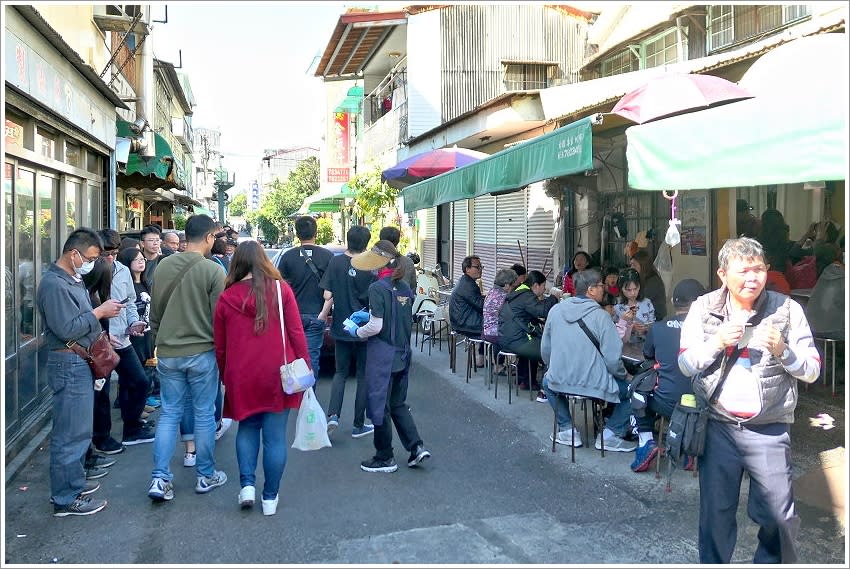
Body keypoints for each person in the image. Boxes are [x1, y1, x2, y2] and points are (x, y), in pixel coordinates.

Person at [678, 237, 820, 563]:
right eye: (743, 271)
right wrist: (716, 342)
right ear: (722, 274)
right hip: (718, 427)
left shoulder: (787, 310)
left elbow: (812, 371)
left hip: (769, 428)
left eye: (759, 269)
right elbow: (685, 364)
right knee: (715, 515)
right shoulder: (704, 308)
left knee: (780, 518)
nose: (752, 278)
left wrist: (783, 350)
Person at [214, 241, 309, 516]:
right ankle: (270, 498)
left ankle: (246, 487)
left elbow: (220, 344)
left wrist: (225, 374)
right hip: (278, 374)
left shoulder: (227, 296)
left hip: (240, 374)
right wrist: (306, 367)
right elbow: (296, 332)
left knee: (246, 429)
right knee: (275, 438)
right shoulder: (281, 291)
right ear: (264, 262)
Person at [37, 228, 124, 516]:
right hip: (68, 364)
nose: (91, 263)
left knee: (79, 430)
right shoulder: (53, 284)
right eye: (89, 258)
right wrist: (99, 314)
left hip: (79, 362)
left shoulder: (71, 279)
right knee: (69, 434)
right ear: (73, 254)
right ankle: (65, 497)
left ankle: (73, 484)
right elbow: (66, 328)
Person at [147, 214, 228, 502]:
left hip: (168, 352)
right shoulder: (213, 271)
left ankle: (159, 478)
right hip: (202, 353)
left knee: (169, 413)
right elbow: (220, 319)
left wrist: (158, 342)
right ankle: (206, 475)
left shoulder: (163, 266)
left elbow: (154, 312)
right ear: (208, 238)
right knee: (204, 414)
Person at [345, 240, 431, 473]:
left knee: (379, 405)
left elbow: (376, 326)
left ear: (379, 263)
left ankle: (385, 457)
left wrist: (357, 330)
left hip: (383, 355)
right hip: (403, 353)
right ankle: (416, 447)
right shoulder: (403, 286)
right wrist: (367, 315)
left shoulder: (377, 288)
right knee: (398, 403)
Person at [541, 267, 636, 452]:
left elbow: (546, 350)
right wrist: (626, 377)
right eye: (601, 285)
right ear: (591, 289)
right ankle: (610, 434)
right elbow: (612, 360)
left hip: (559, 379)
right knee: (637, 390)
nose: (604, 289)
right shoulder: (602, 317)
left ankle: (567, 429)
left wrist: (553, 368)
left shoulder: (555, 310)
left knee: (546, 382)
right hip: (596, 384)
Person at [630, 278, 706, 473]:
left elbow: (648, 355)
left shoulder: (658, 328)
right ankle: (690, 448)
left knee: (638, 390)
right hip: (701, 405)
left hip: (666, 402)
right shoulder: (711, 332)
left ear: (673, 301)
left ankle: (646, 442)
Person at [97, 229, 152, 446]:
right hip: (99, 343)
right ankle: (102, 438)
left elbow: (129, 301)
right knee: (101, 392)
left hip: (122, 338)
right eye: (105, 253)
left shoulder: (122, 270)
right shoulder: (88, 272)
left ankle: (132, 426)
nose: (110, 257)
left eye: (114, 252)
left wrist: (133, 323)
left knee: (139, 381)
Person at [319, 225, 376, 438]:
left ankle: (333, 415)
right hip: (364, 327)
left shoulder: (335, 262)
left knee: (340, 373)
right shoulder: (370, 265)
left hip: (341, 327)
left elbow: (326, 295)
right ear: (366, 243)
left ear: (348, 240)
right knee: (363, 375)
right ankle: (358, 425)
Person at [277, 216, 334, 380]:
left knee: (290, 358)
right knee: (311, 359)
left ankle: (290, 397)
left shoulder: (287, 256)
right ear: (316, 232)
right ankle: (308, 400)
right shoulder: (327, 256)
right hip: (317, 314)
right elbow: (332, 289)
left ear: (297, 233)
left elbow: (280, 288)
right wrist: (324, 314)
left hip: (292, 315)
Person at [498, 270, 561, 399]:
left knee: (535, 344)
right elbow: (542, 310)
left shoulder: (518, 291)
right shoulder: (526, 295)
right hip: (517, 341)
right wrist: (554, 297)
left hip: (505, 338)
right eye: (543, 287)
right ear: (535, 285)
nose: (544, 291)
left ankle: (525, 381)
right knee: (551, 351)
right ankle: (545, 391)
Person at [449, 255, 486, 367]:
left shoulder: (466, 281)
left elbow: (476, 301)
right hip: (464, 322)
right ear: (467, 269)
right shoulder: (468, 285)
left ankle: (482, 358)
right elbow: (480, 305)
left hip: (462, 319)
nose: (480, 270)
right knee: (494, 327)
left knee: (490, 324)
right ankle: (496, 363)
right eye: (477, 267)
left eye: (481, 267)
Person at [482, 268, 518, 374]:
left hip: (486, 331)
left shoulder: (491, 292)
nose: (513, 288)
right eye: (513, 286)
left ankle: (500, 364)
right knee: (522, 337)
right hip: (496, 334)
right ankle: (506, 366)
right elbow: (509, 316)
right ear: (507, 285)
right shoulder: (503, 297)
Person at [612, 268, 655, 343]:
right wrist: (631, 327)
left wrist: (646, 328)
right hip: (625, 347)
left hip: (645, 346)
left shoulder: (647, 303)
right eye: (628, 290)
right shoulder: (617, 306)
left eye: (635, 288)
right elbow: (613, 332)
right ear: (621, 288)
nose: (633, 293)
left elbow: (653, 325)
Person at [629, 249, 667, 320]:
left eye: (634, 265)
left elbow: (639, 299)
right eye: (631, 265)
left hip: (654, 319)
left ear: (643, 266)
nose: (631, 268)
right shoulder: (640, 278)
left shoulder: (653, 281)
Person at [379, 226, 417, 291]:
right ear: (398, 241)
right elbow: (413, 288)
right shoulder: (408, 262)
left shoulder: (373, 262)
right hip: (403, 300)